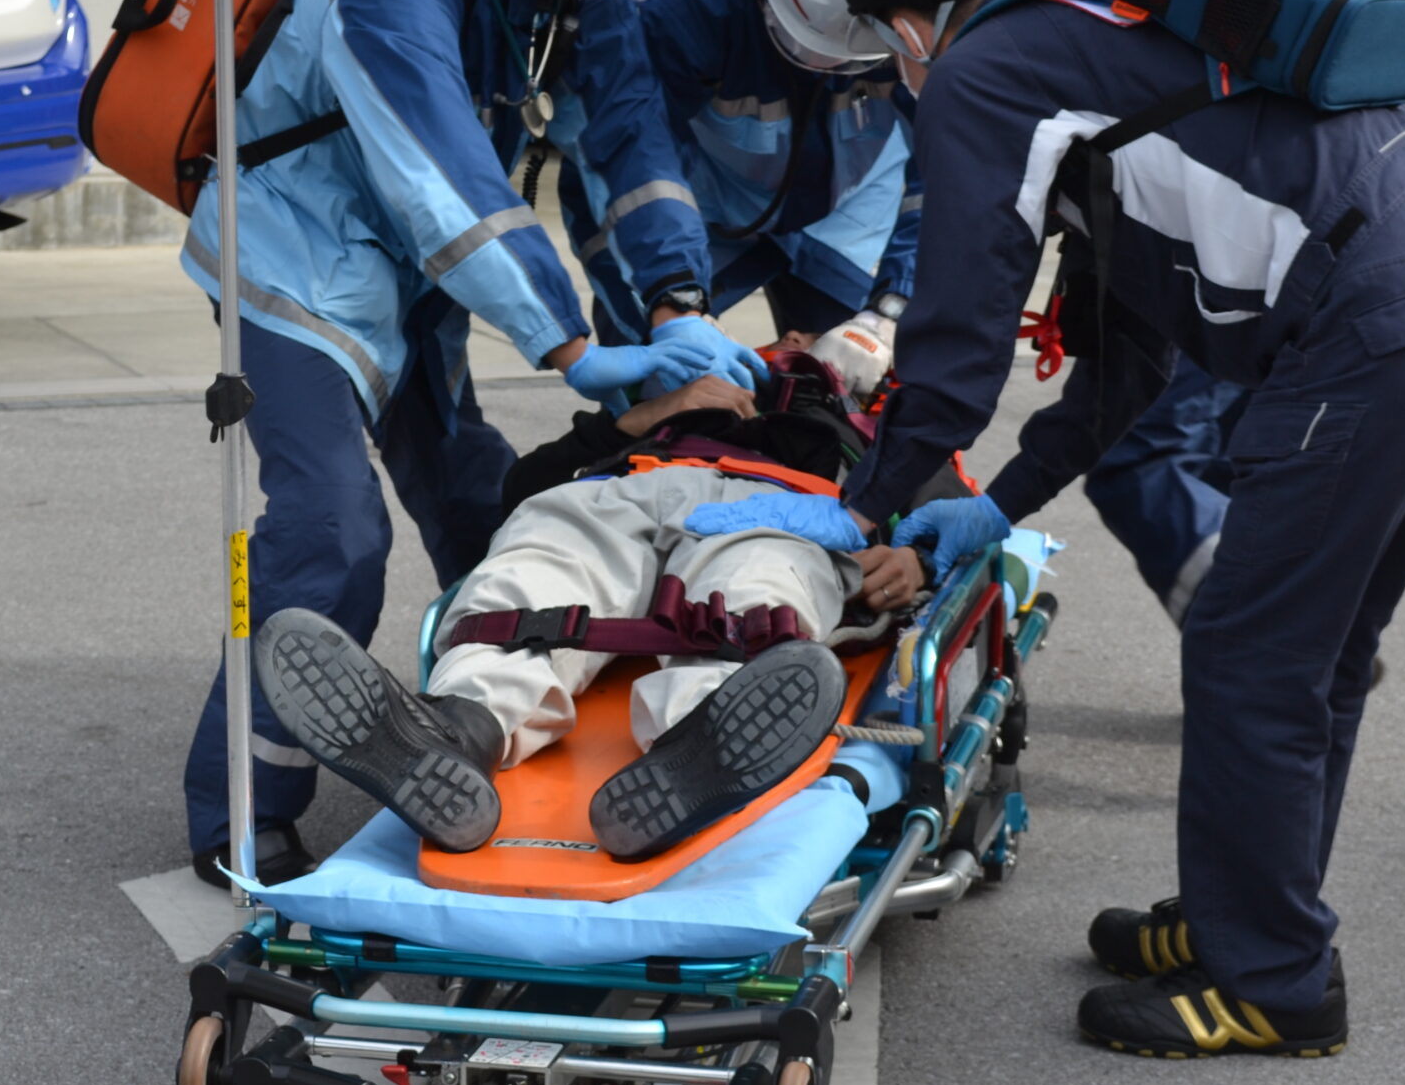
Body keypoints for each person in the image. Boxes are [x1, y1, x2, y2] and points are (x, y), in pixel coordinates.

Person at [687, 0, 1405, 1057]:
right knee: (1317, 649)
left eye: (889, 48)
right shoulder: (1106, 46)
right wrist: (998, 502)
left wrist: (869, 503)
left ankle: (1275, 982)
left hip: (1380, 331)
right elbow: (1124, 368)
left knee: (1252, 652)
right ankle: (1247, 916)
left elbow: (958, 332)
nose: (898, 74)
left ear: (911, 20)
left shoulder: (987, 69)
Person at [179, 0, 769, 888]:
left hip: (402, 283)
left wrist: (677, 299)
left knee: (492, 506)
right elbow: (438, 175)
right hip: (290, 272)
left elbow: (630, 140)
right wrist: (573, 346)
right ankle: (242, 811)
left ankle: (469, 721)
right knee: (334, 531)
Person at [982, 0, 1326, 626]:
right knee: (1233, 447)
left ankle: (1262, 637)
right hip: (1311, 182)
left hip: (1215, 199)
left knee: (1142, 453)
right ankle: (1298, 634)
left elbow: (1117, 74)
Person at [252, 341, 932, 863]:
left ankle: (697, 746)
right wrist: (645, 417)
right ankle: (457, 729)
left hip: (789, 508)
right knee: (535, 573)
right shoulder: (687, 393)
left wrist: (915, 559)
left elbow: (950, 529)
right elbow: (522, 485)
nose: (797, 343)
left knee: (751, 599)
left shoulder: (889, 428)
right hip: (624, 487)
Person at [584, 0, 925, 376]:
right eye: (808, 42)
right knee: (658, 370)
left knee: (865, 388)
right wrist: (677, 299)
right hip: (705, 206)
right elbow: (629, 148)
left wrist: (890, 310)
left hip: (855, 203)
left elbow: (955, 161)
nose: (828, 67)